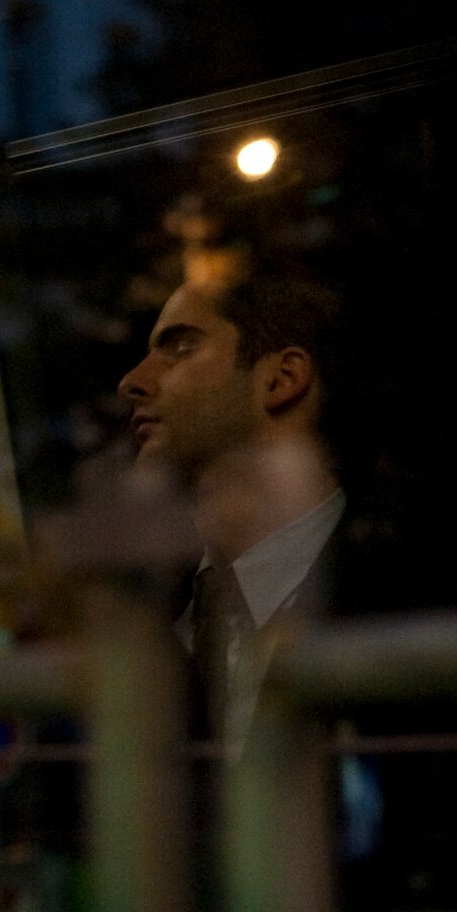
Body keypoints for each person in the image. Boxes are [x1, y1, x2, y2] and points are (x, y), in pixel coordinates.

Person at [117, 266, 347, 730]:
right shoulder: (154, 621)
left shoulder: (422, 609)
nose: (131, 383)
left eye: (181, 347)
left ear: (281, 379)